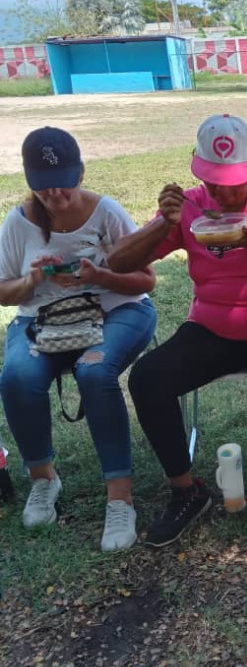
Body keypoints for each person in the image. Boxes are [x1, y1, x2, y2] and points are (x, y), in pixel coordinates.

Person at [108, 114, 247, 546]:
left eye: (235, 182)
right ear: (195, 167)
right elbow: (118, 263)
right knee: (148, 378)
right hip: (213, 326)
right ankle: (187, 491)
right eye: (213, 182)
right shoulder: (187, 205)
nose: (224, 193)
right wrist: (162, 223)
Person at [0, 127, 157, 551]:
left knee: (94, 371)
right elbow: (3, 291)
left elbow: (147, 280)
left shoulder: (107, 213)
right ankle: (43, 478)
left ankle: (120, 500)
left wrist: (98, 275)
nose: (55, 193)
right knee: (17, 376)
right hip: (43, 318)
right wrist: (33, 279)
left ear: (81, 172)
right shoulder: (18, 223)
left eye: (64, 181)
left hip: (119, 310)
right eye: (43, 185)